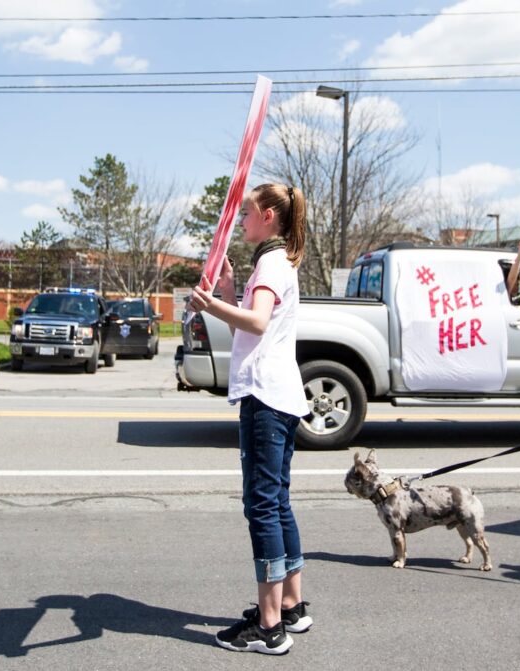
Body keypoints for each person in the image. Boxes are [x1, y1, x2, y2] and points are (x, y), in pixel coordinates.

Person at [189, 183, 312, 654]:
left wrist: (209, 303)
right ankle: (291, 607)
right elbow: (256, 324)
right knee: (277, 501)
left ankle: (269, 625)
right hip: (282, 395)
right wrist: (226, 291)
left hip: (266, 396)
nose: (240, 221)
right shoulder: (280, 261)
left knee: (262, 506)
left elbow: (257, 323)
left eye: (246, 213)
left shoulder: (271, 263)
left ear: (267, 217)